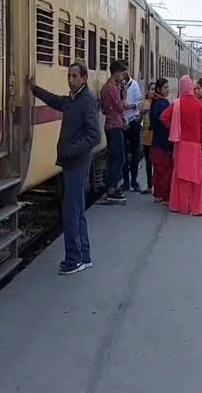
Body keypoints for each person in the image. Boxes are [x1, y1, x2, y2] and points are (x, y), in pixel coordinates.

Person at [28, 64, 101, 275]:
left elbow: (94, 135)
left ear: (84, 78)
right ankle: (84, 256)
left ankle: (74, 259)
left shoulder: (85, 101)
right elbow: (55, 101)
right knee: (77, 212)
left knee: (71, 212)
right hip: (72, 164)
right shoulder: (73, 99)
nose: (70, 79)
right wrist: (35, 89)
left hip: (76, 165)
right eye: (68, 76)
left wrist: (70, 149)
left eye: (74, 76)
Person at [160, 75, 202, 215]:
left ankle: (180, 205)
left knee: (180, 174)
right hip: (195, 145)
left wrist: (173, 128)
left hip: (181, 144)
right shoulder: (199, 104)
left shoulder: (176, 103)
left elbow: (163, 117)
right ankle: (197, 207)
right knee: (197, 175)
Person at [100, 61, 128, 202]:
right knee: (119, 157)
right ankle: (112, 188)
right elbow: (121, 107)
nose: (123, 78)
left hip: (108, 125)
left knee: (112, 157)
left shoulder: (105, 88)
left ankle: (110, 185)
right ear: (116, 73)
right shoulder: (112, 88)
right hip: (115, 126)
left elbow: (104, 110)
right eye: (122, 74)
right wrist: (124, 93)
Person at [150, 78, 173, 205]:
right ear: (159, 89)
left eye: (168, 87)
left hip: (156, 142)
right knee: (165, 171)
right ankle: (164, 197)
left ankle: (158, 194)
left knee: (158, 171)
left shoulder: (155, 102)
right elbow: (166, 123)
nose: (168, 89)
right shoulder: (163, 103)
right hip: (163, 142)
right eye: (165, 87)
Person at [121, 66, 143, 192]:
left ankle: (134, 181)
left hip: (133, 122)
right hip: (122, 123)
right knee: (123, 154)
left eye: (125, 72)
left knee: (134, 153)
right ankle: (125, 181)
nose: (123, 75)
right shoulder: (118, 86)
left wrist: (130, 106)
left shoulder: (134, 85)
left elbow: (138, 103)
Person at [140, 82, 156, 195]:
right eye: (151, 89)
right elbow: (139, 118)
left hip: (156, 136)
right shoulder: (143, 104)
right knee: (148, 162)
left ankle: (157, 186)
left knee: (156, 163)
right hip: (146, 136)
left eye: (155, 89)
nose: (153, 91)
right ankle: (149, 186)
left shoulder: (159, 103)